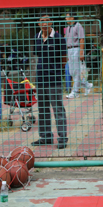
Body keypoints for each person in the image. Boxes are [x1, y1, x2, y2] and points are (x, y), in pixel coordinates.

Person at [32, 16, 68, 149]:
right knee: (42, 109)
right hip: (40, 79)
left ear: (51, 22)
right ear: (38, 23)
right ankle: (45, 136)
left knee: (58, 108)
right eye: (41, 21)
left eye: (47, 20)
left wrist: (56, 70)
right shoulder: (37, 37)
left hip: (54, 79)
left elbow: (64, 58)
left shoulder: (58, 38)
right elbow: (38, 55)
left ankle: (62, 138)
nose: (44, 23)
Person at [64, 11, 93, 99]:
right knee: (72, 71)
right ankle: (87, 85)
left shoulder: (78, 26)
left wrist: (81, 52)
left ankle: (75, 91)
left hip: (76, 49)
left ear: (72, 18)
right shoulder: (68, 27)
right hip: (69, 49)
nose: (66, 18)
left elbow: (82, 39)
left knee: (76, 71)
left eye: (67, 17)